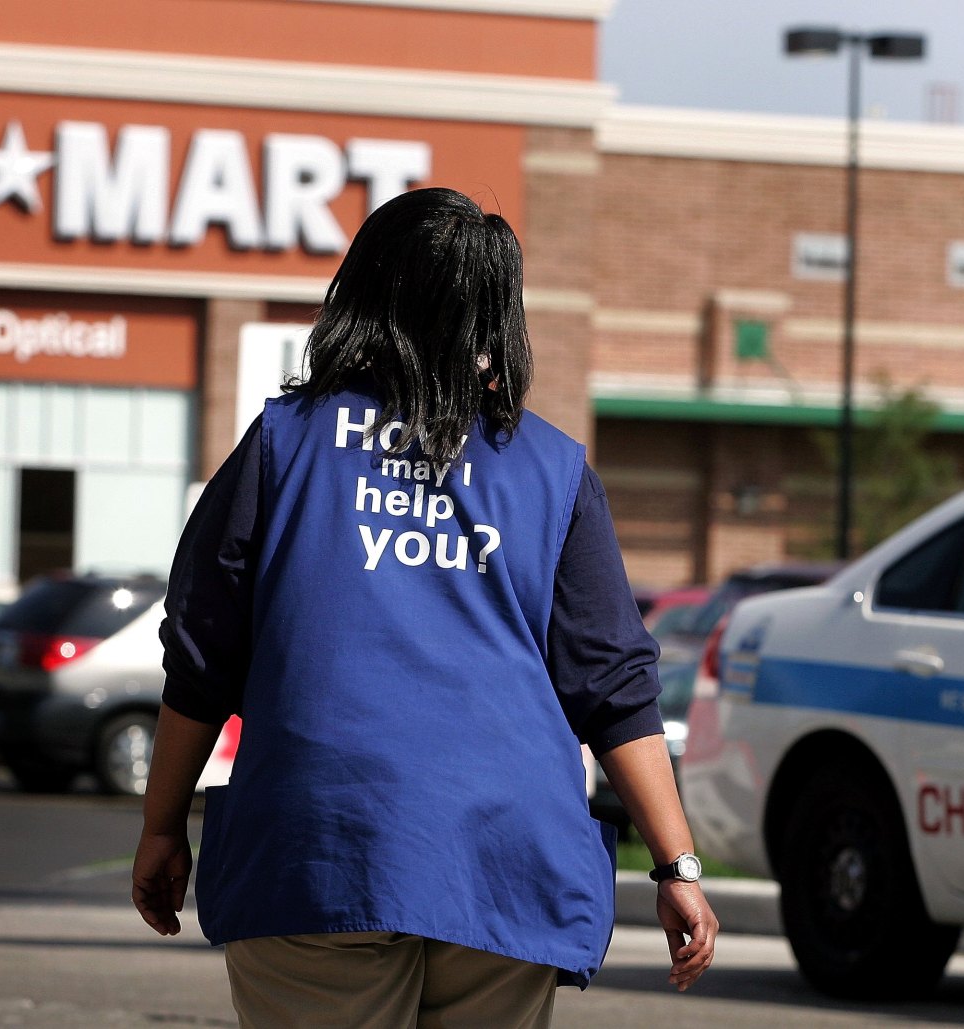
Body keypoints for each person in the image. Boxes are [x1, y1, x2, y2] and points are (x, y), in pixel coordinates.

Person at [132, 187, 717, 1027]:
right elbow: (614, 685)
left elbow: (200, 655)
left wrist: (161, 826)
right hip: (504, 864)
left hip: (325, 850)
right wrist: (678, 867)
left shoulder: (283, 444)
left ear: (363, 291)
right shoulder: (551, 469)